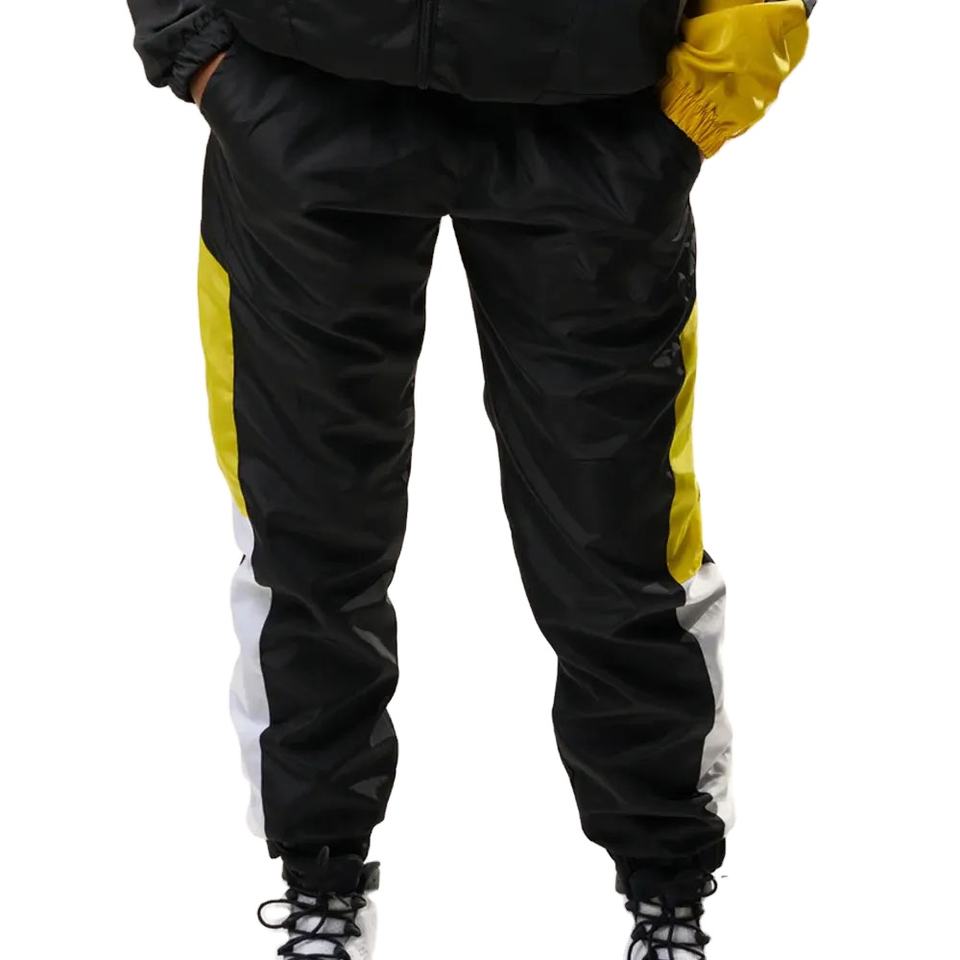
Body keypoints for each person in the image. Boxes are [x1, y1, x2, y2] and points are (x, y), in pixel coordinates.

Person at [127, 2, 812, 957]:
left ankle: (669, 886)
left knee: (621, 545)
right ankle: (320, 877)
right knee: (303, 533)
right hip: (303, 93)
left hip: (591, 120)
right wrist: (199, 45)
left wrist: (698, 103)